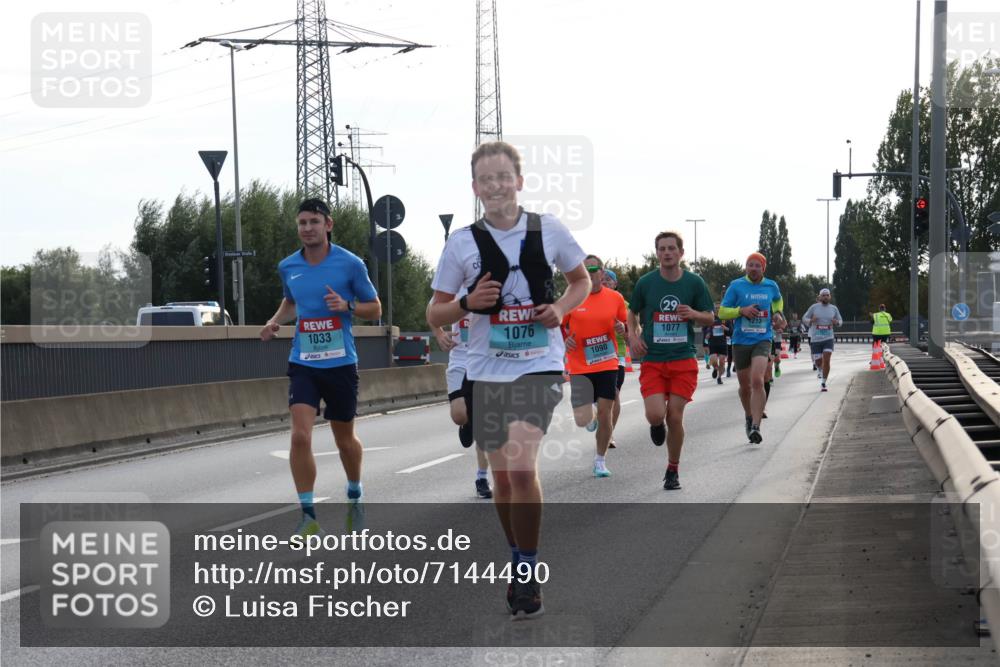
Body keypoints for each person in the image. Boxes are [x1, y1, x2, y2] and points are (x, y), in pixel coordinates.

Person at [427, 141, 589, 620]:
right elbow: (434, 310)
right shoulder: (460, 243)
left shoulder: (549, 229)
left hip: (538, 362)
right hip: (484, 370)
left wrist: (559, 308)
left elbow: (581, 282)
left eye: (504, 177)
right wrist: (466, 304)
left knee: (520, 467)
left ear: (519, 181)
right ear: (476, 188)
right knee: (501, 479)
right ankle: (517, 558)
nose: (496, 186)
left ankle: (528, 569)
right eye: (486, 180)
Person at [260, 198, 382, 538]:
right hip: (304, 362)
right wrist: (273, 322)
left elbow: (375, 308)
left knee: (345, 441)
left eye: (314, 222)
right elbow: (291, 300)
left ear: (328, 225)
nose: (307, 229)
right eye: (302, 223)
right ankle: (308, 515)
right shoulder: (288, 266)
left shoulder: (350, 264)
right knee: (300, 436)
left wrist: (347, 305)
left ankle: (354, 492)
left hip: (341, 363)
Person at [627, 231, 714, 490]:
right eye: (662, 249)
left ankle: (673, 469)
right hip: (653, 358)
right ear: (657, 254)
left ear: (680, 253)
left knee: (674, 417)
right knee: (656, 415)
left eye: (671, 248)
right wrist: (633, 337)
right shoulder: (646, 283)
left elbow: (710, 317)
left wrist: (694, 313)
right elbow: (632, 313)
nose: (667, 253)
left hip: (682, 359)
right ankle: (656, 425)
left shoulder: (694, 283)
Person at [562, 255, 629, 477]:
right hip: (580, 365)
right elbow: (558, 326)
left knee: (605, 412)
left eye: (593, 268)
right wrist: (565, 339)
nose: (589, 272)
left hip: (607, 362)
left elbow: (627, 325)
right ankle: (589, 419)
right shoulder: (572, 297)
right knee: (583, 418)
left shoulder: (615, 298)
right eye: (584, 268)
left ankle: (600, 460)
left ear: (602, 272)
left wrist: (623, 330)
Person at [429, 296, 493, 499]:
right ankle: (467, 423)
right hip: (460, 361)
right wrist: (438, 333)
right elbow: (431, 309)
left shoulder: (495, 285)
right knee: (459, 415)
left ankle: (481, 478)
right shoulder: (455, 287)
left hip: (486, 364)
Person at [719, 252, 785, 445]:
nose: (753, 268)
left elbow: (778, 300)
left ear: (763, 268)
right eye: (750, 265)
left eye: (757, 265)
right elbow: (722, 311)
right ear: (746, 268)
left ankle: (756, 426)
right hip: (740, 341)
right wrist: (741, 310)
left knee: (757, 380)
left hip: (763, 339)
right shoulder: (736, 286)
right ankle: (749, 416)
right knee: (744, 387)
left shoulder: (771, 285)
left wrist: (779, 313)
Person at [600, 269, 629, 448]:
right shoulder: (587, 299)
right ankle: (598, 418)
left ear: (615, 283)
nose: (605, 282)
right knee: (596, 400)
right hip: (591, 357)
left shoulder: (623, 303)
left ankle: (609, 433)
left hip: (616, 354)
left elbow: (633, 331)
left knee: (614, 394)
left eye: (609, 280)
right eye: (602, 279)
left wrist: (624, 330)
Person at [802, 288, 844, 392]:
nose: (825, 297)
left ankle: (824, 382)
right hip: (816, 339)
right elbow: (804, 318)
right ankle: (820, 369)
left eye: (827, 295)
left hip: (828, 338)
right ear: (820, 297)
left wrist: (837, 322)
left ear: (830, 297)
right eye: (823, 295)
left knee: (827, 359)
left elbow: (840, 321)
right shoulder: (814, 307)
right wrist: (811, 320)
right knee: (818, 361)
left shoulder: (834, 309)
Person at [705, 305, 730, 385]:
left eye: (719, 308)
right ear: (714, 310)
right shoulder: (711, 319)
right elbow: (705, 330)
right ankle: (715, 368)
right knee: (714, 361)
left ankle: (719, 377)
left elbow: (731, 331)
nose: (718, 309)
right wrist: (707, 334)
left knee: (722, 362)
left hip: (722, 344)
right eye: (716, 308)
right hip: (713, 343)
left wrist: (726, 329)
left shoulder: (726, 319)